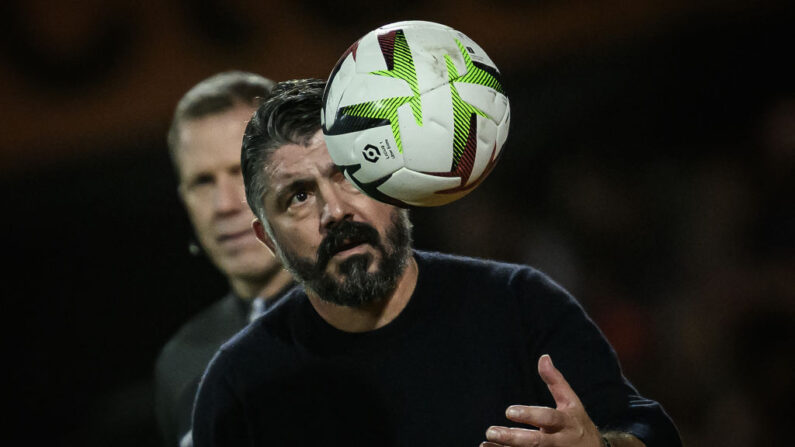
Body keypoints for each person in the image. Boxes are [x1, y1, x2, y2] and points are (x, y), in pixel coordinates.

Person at [192, 78, 682, 447]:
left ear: (398, 180)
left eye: (350, 174)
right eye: (298, 196)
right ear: (268, 239)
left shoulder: (518, 305)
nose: (335, 211)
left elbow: (649, 431)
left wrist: (599, 446)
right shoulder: (240, 389)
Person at [154, 71, 296, 447]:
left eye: (240, 171)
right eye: (202, 182)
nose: (224, 205)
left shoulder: (374, 312)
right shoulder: (180, 364)